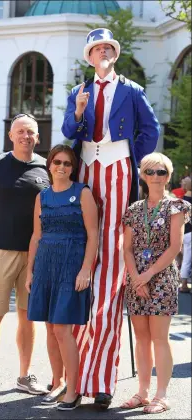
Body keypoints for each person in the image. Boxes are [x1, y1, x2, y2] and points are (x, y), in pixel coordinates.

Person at [61, 28, 160, 407]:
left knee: (112, 266)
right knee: (81, 250)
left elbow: (150, 131)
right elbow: (70, 130)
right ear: (89, 56)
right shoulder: (78, 91)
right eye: (97, 48)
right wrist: (80, 112)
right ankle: (71, 376)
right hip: (85, 167)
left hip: (117, 168)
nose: (103, 52)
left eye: (108, 48)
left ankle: (102, 380)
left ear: (114, 55)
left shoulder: (132, 90)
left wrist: (126, 155)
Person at [0, 113, 50, 397]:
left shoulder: (46, 167)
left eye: (30, 132)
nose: (25, 136)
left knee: (28, 316)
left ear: (37, 137)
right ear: (11, 135)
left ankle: (24, 375)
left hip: (35, 255)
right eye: (20, 131)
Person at [26, 144, 98, 410]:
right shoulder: (42, 197)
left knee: (62, 329)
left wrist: (85, 269)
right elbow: (36, 236)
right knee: (49, 327)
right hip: (45, 263)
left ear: (73, 168)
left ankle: (74, 389)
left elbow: (93, 234)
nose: (61, 167)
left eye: (67, 164)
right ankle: (56, 382)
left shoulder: (82, 193)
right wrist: (30, 270)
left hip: (71, 263)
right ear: (50, 165)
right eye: (57, 162)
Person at [121, 152, 191, 414]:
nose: (155, 176)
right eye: (150, 171)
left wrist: (147, 275)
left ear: (168, 175)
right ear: (142, 175)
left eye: (161, 172)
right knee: (141, 338)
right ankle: (143, 391)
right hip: (136, 277)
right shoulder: (134, 210)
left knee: (159, 338)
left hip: (161, 277)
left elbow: (174, 247)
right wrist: (136, 277)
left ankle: (162, 395)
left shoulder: (176, 206)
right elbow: (126, 248)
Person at [179, 177, 192, 293]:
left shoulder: (183, 200)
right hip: (189, 232)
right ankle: (183, 284)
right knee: (187, 258)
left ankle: (183, 283)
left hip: (186, 231)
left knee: (187, 258)